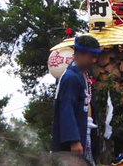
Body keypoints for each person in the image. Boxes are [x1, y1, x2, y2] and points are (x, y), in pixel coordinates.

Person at [52, 34, 101, 165]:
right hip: (74, 141)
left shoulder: (83, 75)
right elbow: (66, 108)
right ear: (79, 54)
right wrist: (73, 140)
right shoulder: (70, 77)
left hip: (86, 133)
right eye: (91, 57)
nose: (94, 61)